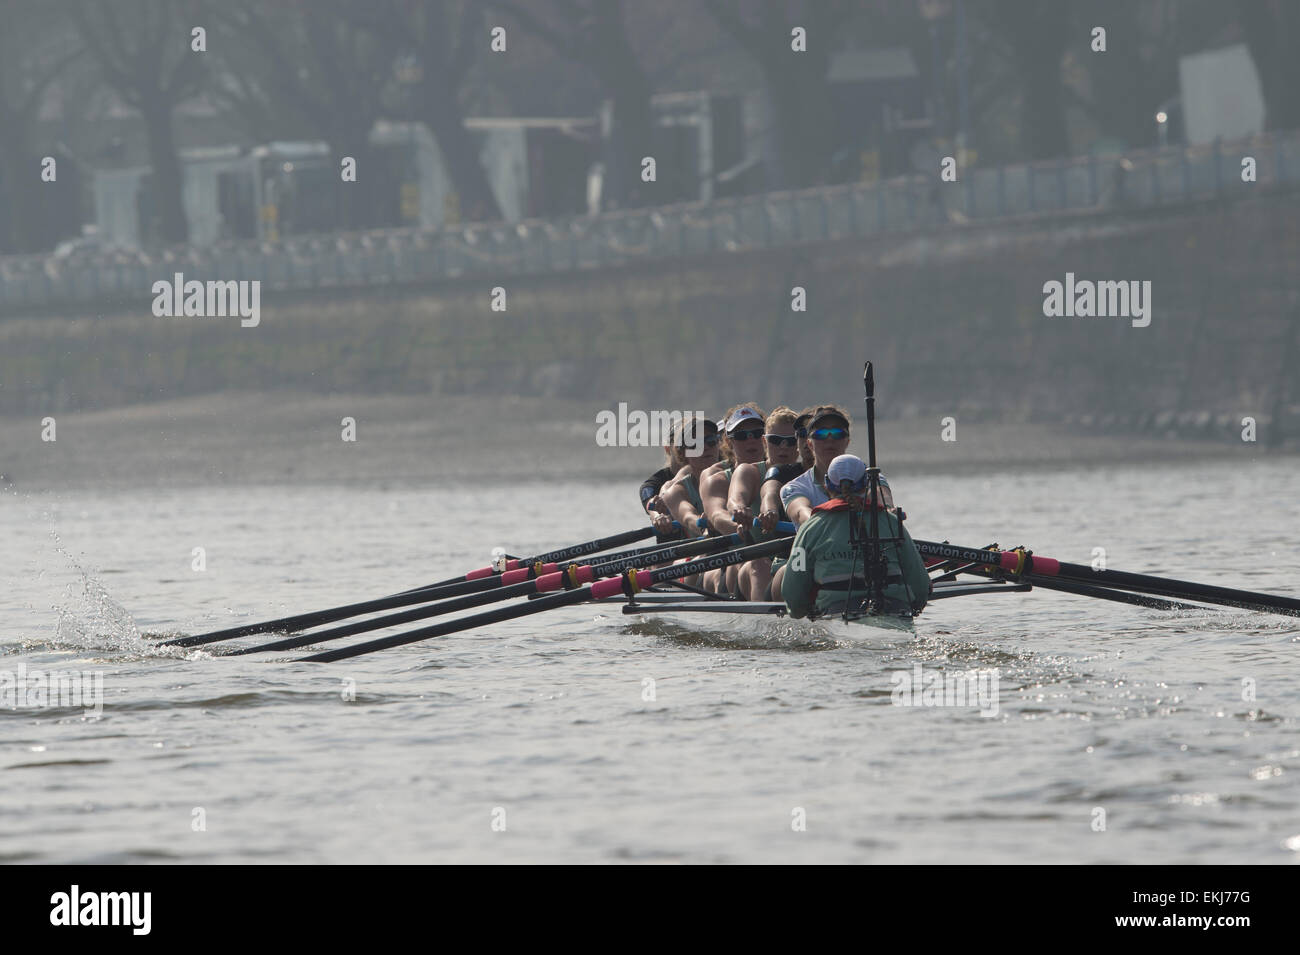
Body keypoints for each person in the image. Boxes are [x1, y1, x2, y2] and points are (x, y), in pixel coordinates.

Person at [782, 454, 929, 620]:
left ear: (827, 485)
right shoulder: (892, 522)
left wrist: (799, 611)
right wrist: (915, 607)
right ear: (867, 483)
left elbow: (792, 589)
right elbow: (921, 584)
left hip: (835, 614)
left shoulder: (810, 528)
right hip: (896, 611)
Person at [699, 403, 767, 594]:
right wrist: (737, 524)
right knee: (758, 563)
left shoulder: (783, 473)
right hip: (732, 559)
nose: (750, 440)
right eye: (741, 436)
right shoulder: (717, 479)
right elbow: (717, 516)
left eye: (756, 433)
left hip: (778, 556)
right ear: (728, 443)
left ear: (765, 437)